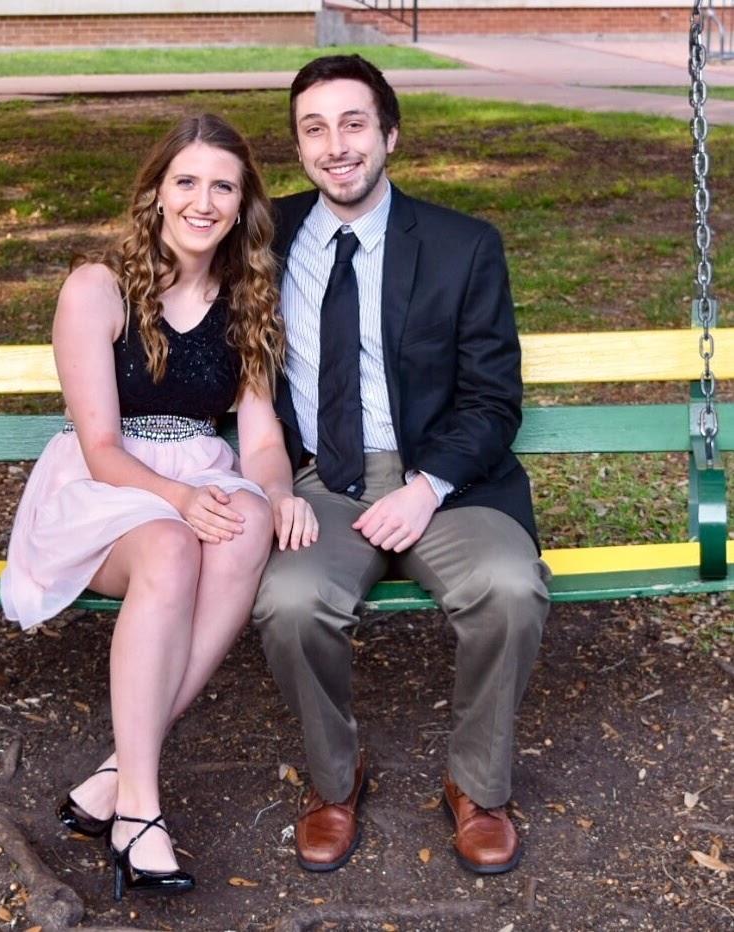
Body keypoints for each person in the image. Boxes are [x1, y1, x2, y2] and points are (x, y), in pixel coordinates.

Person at [0, 113, 318, 900]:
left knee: (243, 527)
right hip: (104, 486)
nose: (203, 202)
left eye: (223, 186)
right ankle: (141, 807)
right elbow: (101, 445)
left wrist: (277, 492)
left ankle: (115, 775)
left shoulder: (247, 297)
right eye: (186, 182)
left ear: (243, 204)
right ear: (156, 192)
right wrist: (177, 498)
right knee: (175, 545)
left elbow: (260, 434)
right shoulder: (97, 287)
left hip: (199, 472)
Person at [253, 55, 551, 876]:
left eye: (353, 124)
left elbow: (493, 399)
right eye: (314, 129)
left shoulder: (463, 247)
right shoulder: (261, 240)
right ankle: (333, 779)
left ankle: (478, 786)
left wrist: (426, 489)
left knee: (510, 587)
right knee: (288, 598)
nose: (335, 145)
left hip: (446, 485)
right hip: (322, 484)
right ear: (299, 147)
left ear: (389, 134)